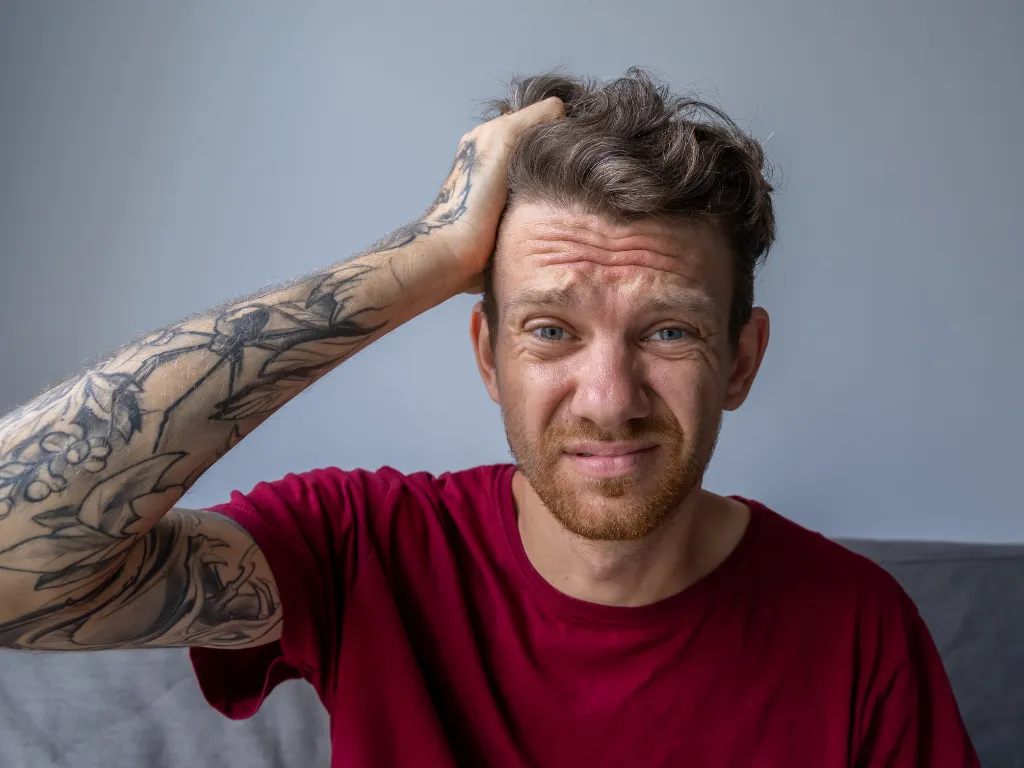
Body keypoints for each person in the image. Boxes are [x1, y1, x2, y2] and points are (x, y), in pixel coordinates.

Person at [0, 68, 978, 767]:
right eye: (551, 330)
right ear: (486, 357)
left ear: (742, 359)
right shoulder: (362, 552)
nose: (608, 397)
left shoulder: (860, 629)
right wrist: (424, 256)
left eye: (669, 332)